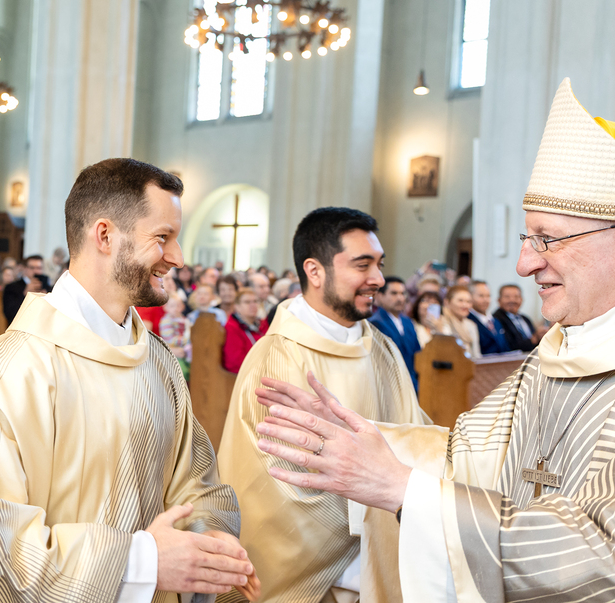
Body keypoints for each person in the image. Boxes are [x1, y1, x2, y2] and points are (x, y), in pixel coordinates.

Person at [255, 77, 615, 601]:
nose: (524, 264)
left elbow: (599, 558)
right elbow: (465, 452)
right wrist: (356, 438)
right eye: (527, 237)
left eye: (547, 238)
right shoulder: (556, 354)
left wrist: (405, 490)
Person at [0, 158, 259, 602]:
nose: (178, 258)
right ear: (105, 235)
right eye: (162, 237)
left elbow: (196, 483)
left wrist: (208, 540)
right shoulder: (18, 368)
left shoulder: (159, 362)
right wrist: (140, 563)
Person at [217, 207, 427, 603]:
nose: (378, 279)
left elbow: (415, 437)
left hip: (391, 565)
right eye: (362, 265)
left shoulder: (382, 350)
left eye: (380, 264)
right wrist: (372, 552)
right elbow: (278, 491)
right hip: (330, 582)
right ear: (314, 271)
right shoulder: (277, 359)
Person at [369, 276, 422, 392]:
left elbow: (417, 353)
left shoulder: (408, 322)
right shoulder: (375, 322)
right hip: (389, 385)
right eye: (394, 293)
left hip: (412, 383)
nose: (400, 298)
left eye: (402, 293)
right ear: (380, 296)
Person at [222, 288, 268, 374]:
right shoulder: (232, 327)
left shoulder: (263, 324)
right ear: (237, 306)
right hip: (246, 375)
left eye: (255, 301)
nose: (252, 305)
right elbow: (235, 362)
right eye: (247, 302)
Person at [2, 253, 51, 323]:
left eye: (39, 268)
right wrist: (25, 295)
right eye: (32, 268)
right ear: (25, 268)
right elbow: (10, 314)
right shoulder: (12, 288)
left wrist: (46, 297)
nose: (35, 271)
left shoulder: (49, 289)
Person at [493, 283, 541, 351]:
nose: (512, 300)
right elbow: (508, 346)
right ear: (499, 300)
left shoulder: (526, 319)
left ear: (521, 299)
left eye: (516, 297)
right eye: (507, 297)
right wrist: (533, 339)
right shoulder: (495, 320)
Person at [468, 280, 510, 354]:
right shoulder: (468, 320)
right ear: (470, 297)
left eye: (488, 296)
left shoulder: (495, 321)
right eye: (481, 296)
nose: (486, 300)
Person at [439, 285, 481, 358]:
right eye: (460, 300)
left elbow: (476, 355)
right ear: (447, 302)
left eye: (468, 302)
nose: (465, 305)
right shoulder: (441, 323)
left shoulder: (471, 325)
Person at [159, 295, 192, 378]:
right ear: (165, 307)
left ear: (183, 307)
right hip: (173, 350)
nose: (175, 308)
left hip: (185, 349)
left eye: (178, 306)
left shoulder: (184, 320)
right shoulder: (166, 320)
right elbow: (170, 339)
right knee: (180, 372)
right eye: (172, 306)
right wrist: (186, 340)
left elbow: (189, 332)